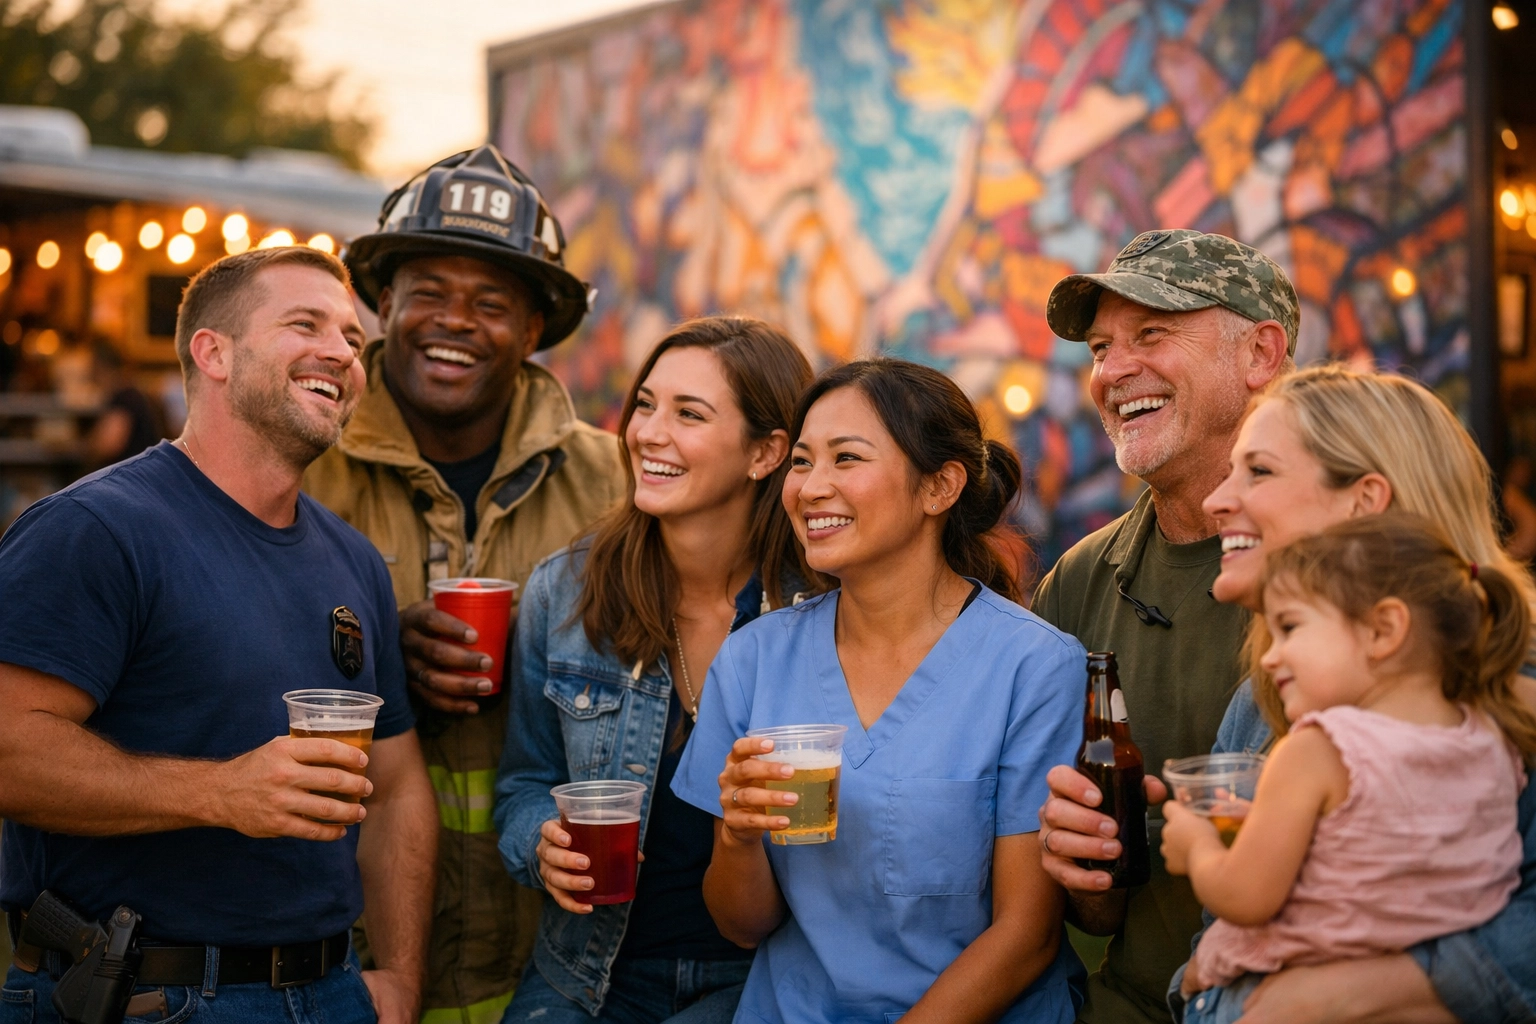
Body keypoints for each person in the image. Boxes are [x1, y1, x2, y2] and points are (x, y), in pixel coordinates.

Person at [0, 246, 436, 1023]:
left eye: (352, 339)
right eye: (306, 324)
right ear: (214, 353)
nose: (341, 351)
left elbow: (398, 788)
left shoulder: (355, 561)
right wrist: (221, 792)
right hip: (145, 995)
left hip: (333, 991)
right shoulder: (97, 529)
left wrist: (399, 976)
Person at [305, 144, 626, 1023]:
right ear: (383, 305)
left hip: (555, 959)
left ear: (533, 330)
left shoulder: (621, 486)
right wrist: (368, 661)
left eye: (491, 303)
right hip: (347, 961)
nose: (455, 322)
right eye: (429, 294)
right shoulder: (300, 473)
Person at [672, 358, 1087, 1023]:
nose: (811, 488)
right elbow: (742, 926)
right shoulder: (754, 658)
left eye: (847, 459)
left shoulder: (1033, 667)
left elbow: (1026, 938)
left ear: (940, 486)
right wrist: (738, 839)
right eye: (802, 462)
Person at [1172, 364, 1536, 1023]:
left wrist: (1324, 998)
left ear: (1364, 503)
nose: (1215, 501)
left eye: (1258, 471)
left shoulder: (1512, 691)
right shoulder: (1263, 701)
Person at [494, 316, 815, 1023]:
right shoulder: (567, 593)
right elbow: (523, 781)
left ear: (766, 452)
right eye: (645, 404)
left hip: (773, 972)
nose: (648, 432)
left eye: (688, 413)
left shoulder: (821, 608)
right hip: (590, 972)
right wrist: (538, 841)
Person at [1031, 229, 1294, 1023]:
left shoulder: (1355, 568)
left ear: (1260, 355)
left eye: (1152, 334)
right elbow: (1085, 911)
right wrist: (1086, 872)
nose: (1112, 371)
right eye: (1102, 347)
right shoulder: (1080, 580)